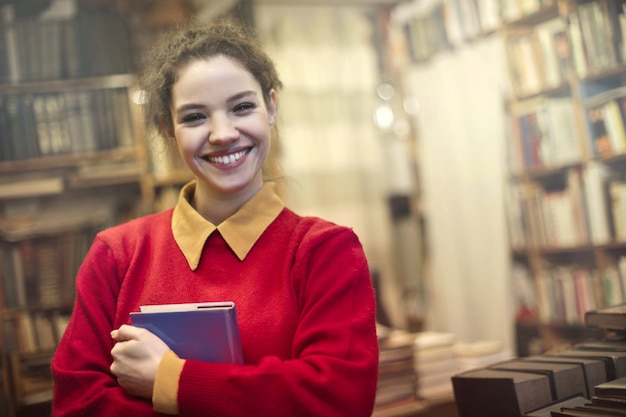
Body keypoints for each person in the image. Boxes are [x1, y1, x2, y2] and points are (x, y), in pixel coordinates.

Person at [51, 19, 379, 417]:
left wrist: (168, 379)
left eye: (242, 107)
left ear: (271, 107)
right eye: (194, 117)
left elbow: (338, 399)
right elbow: (77, 403)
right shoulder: (116, 255)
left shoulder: (325, 251)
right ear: (167, 129)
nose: (223, 134)